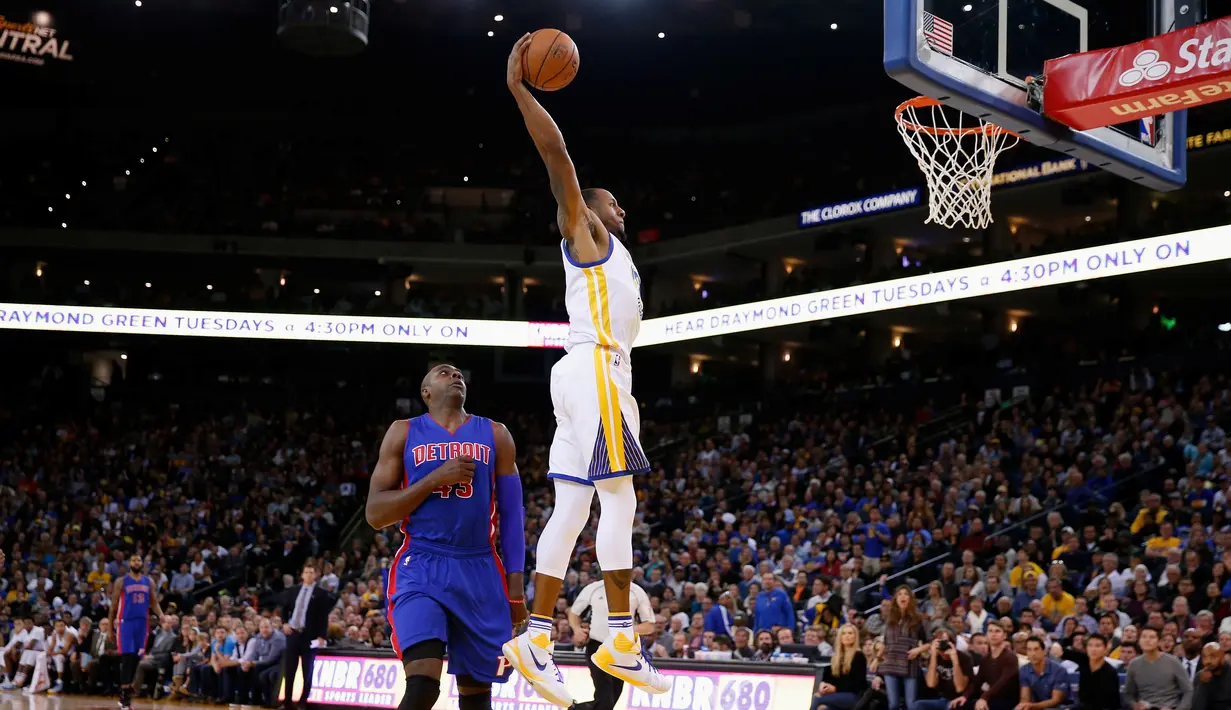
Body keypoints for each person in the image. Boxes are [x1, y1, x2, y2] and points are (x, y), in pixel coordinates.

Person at [500, 32, 667, 708]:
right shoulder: (587, 236)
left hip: (582, 375)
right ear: (586, 212)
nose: (619, 211)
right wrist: (518, 88)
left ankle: (535, 637)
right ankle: (620, 637)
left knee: (571, 507)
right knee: (620, 500)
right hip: (595, 370)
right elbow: (557, 157)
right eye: (612, 203)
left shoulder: (615, 256)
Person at [366, 364, 528, 710]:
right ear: (425, 393)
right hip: (422, 564)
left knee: (476, 696)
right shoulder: (403, 432)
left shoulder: (496, 433)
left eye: (459, 375)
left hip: (480, 567)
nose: (455, 376)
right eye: (443, 373)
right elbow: (375, 513)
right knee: (423, 685)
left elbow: (514, 516)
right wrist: (434, 479)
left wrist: (515, 589)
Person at [568, 579, 655, 710]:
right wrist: (577, 629)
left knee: (612, 697)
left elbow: (649, 625)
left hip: (622, 649)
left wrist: (627, 630)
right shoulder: (594, 588)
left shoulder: (636, 592)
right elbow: (574, 612)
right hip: (597, 646)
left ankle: (576, 708)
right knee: (605, 696)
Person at [277, 562, 337, 710]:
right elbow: (284, 609)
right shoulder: (293, 591)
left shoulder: (321, 593)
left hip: (309, 636)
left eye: (312, 572)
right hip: (293, 633)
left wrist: (322, 636)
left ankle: (303, 702)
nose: (309, 575)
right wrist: (284, 623)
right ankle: (287, 702)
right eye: (307, 572)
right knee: (289, 669)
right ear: (302, 575)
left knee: (307, 670)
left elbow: (323, 617)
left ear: (316, 575)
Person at [110, 554, 165, 710]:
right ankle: (125, 696)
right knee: (126, 658)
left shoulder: (149, 582)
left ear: (142, 563)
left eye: (138, 560)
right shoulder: (121, 581)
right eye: (133, 560)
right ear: (129, 563)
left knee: (136, 658)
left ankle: (124, 692)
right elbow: (113, 605)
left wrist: (161, 615)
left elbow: (154, 602)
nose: (136, 562)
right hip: (126, 623)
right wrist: (109, 628)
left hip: (142, 623)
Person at [879, 586, 928, 710]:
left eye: (906, 594)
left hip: (910, 664)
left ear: (910, 599)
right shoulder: (890, 618)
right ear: (895, 599)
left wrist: (918, 650)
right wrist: (876, 659)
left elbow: (930, 642)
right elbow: (885, 642)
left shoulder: (917, 619)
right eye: (899, 594)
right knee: (893, 704)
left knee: (911, 705)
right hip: (890, 663)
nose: (902, 596)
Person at [1123, 626, 1191, 710]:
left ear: (1159, 642)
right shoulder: (1134, 664)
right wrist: (1135, 705)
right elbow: (1128, 694)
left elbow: (1188, 690)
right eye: (1144, 637)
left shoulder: (1173, 661)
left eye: (1152, 637)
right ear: (1139, 641)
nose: (1147, 640)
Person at [956, 623, 1020, 710]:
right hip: (991, 698)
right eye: (990, 631)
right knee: (958, 705)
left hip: (1006, 701)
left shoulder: (1010, 658)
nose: (993, 634)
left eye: (997, 631)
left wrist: (984, 697)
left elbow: (1003, 682)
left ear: (1004, 635)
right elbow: (977, 682)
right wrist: (965, 696)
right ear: (987, 635)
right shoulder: (985, 658)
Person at [812, 624, 868, 710]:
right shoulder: (836, 657)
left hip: (853, 696)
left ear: (855, 637)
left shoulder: (858, 656)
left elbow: (856, 684)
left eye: (850, 633)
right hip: (837, 695)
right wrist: (823, 684)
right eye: (844, 633)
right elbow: (828, 677)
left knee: (816, 699)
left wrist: (835, 688)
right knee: (823, 708)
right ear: (840, 637)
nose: (847, 636)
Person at [1060, 633, 1121, 710]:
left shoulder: (1110, 673)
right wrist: (1055, 646)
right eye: (1090, 645)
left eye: (1097, 646)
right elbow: (1064, 652)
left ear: (1105, 649)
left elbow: (1100, 704)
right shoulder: (1084, 660)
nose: (1093, 649)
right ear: (1086, 648)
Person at [917, 626, 973, 710]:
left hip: (956, 700)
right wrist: (933, 656)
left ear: (953, 643)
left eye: (945, 643)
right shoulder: (935, 657)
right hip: (941, 699)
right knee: (916, 705)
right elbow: (931, 684)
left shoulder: (964, 658)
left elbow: (960, 688)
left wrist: (955, 661)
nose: (943, 647)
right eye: (939, 643)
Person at [1016, 637, 1067, 710]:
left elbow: (1056, 700)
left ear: (1044, 652)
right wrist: (1024, 706)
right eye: (1029, 650)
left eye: (1036, 649)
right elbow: (1025, 698)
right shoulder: (1024, 670)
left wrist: (1032, 706)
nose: (1033, 654)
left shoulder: (1059, 670)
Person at [1192, 642, 1231, 710]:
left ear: (1222, 656)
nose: (1208, 661)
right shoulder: (1199, 676)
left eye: (1213, 656)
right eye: (1204, 657)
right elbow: (1196, 707)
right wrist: (1203, 684)